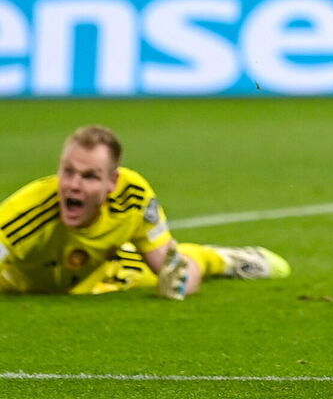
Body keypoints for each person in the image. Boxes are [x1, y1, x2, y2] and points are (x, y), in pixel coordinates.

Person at [0, 125, 291, 298]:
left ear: (112, 182)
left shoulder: (133, 196)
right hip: (19, 282)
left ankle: (224, 260)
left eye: (89, 176)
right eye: (68, 172)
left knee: (174, 274)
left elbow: (166, 265)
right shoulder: (26, 212)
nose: (73, 185)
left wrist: (177, 283)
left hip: (103, 271)